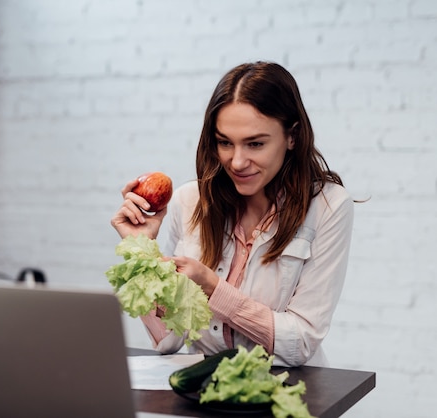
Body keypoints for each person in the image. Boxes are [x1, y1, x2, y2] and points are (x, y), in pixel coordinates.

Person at [110, 61, 354, 367]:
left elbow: (301, 342)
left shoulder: (328, 207)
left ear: (292, 136)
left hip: (286, 392)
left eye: (255, 144)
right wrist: (141, 252)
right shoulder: (190, 200)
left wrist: (214, 289)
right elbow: (168, 341)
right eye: (225, 142)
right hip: (203, 391)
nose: (237, 162)